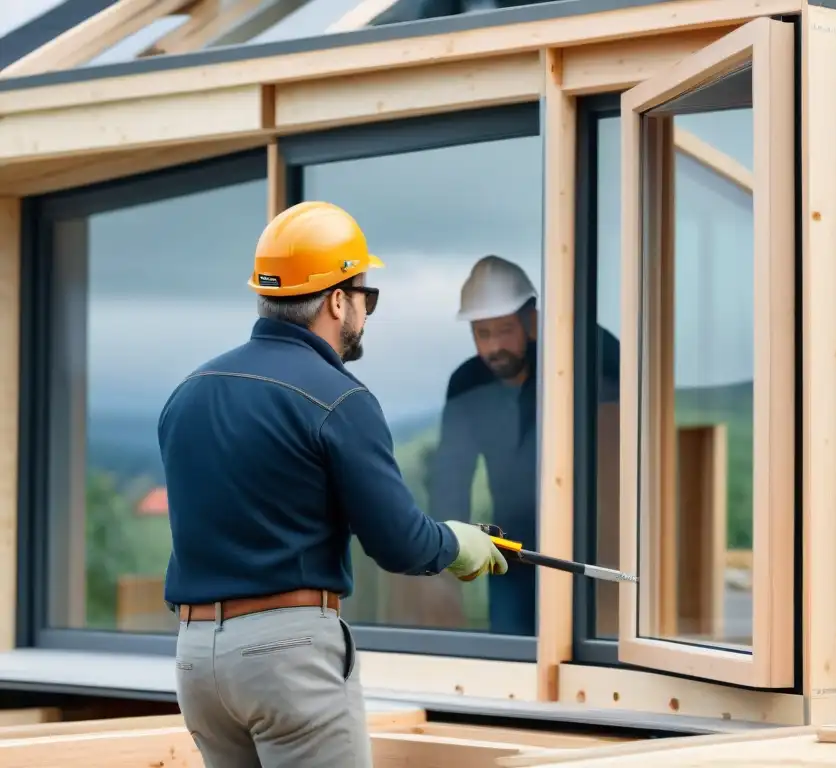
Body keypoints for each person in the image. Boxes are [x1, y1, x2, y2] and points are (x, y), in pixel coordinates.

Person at [159, 201, 508, 768]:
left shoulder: (189, 392)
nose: (367, 311)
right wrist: (458, 542)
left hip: (197, 659)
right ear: (337, 299)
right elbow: (398, 542)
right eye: (366, 295)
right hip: (287, 657)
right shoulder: (340, 398)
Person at [428, 254, 620, 636]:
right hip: (511, 556)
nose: (495, 346)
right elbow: (451, 478)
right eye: (483, 334)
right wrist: (441, 561)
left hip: (588, 550)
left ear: (532, 321)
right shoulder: (468, 386)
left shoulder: (583, 358)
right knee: (510, 658)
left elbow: (621, 456)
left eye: (504, 330)